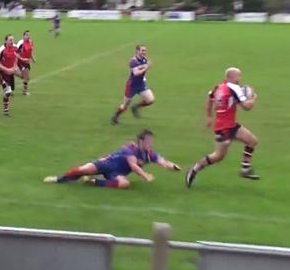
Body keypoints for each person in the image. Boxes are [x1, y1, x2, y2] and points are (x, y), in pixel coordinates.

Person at [185, 67, 260, 188]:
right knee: (218, 156)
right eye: (238, 76)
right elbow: (246, 107)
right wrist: (254, 99)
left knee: (252, 140)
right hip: (224, 129)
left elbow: (209, 99)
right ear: (232, 77)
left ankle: (245, 169)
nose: (240, 79)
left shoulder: (218, 87)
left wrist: (209, 117)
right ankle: (194, 170)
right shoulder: (234, 87)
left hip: (229, 125)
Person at [44, 129, 181, 189]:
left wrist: (172, 166)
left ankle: (93, 182)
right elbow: (133, 165)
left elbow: (163, 161)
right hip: (108, 163)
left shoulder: (150, 154)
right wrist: (145, 176)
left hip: (116, 173)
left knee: (125, 184)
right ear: (140, 141)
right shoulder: (130, 149)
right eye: (147, 141)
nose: (150, 144)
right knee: (83, 169)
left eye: (151, 141)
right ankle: (58, 179)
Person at [110, 45, 155, 125]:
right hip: (131, 86)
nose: (144, 52)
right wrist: (146, 67)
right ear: (137, 51)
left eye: (145, 50)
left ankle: (136, 107)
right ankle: (115, 116)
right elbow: (136, 73)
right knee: (125, 106)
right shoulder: (133, 61)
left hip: (141, 84)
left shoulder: (145, 59)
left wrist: (144, 75)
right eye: (142, 50)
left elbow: (143, 70)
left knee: (150, 100)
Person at [0, 34, 19, 116]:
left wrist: (15, 66)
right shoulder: (1, 50)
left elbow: (16, 57)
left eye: (12, 40)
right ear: (5, 41)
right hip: (2, 73)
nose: (12, 41)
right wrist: (7, 69)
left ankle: (0, 83)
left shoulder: (15, 47)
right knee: (8, 91)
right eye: (10, 40)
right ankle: (5, 110)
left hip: (10, 73)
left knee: (11, 91)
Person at [16, 30, 36, 95]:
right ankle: (24, 91)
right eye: (26, 35)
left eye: (29, 35)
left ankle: (24, 91)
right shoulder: (21, 43)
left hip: (27, 62)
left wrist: (32, 58)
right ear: (23, 36)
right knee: (25, 77)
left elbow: (30, 51)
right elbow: (16, 52)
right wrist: (21, 58)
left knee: (26, 77)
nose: (28, 36)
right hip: (20, 62)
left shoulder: (30, 42)